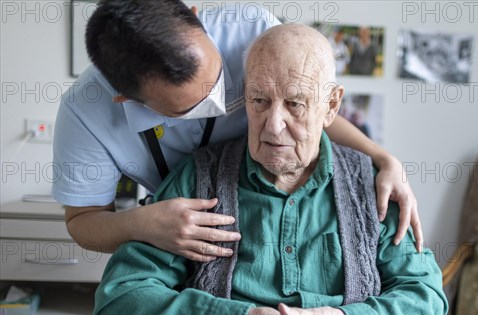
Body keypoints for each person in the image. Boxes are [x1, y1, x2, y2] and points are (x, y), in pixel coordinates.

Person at [94, 23, 448, 315]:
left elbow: (425, 298)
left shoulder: (372, 188)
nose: (273, 125)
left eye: (295, 104)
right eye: (259, 101)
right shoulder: (200, 178)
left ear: (331, 105)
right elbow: (122, 293)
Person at [52, 0, 424, 263]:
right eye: (193, 106)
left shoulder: (250, 30)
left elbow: (305, 114)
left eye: (219, 79)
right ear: (126, 99)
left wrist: (382, 158)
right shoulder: (84, 113)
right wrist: (141, 224)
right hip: (184, 229)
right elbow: (82, 222)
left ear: (196, 17)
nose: (222, 102)